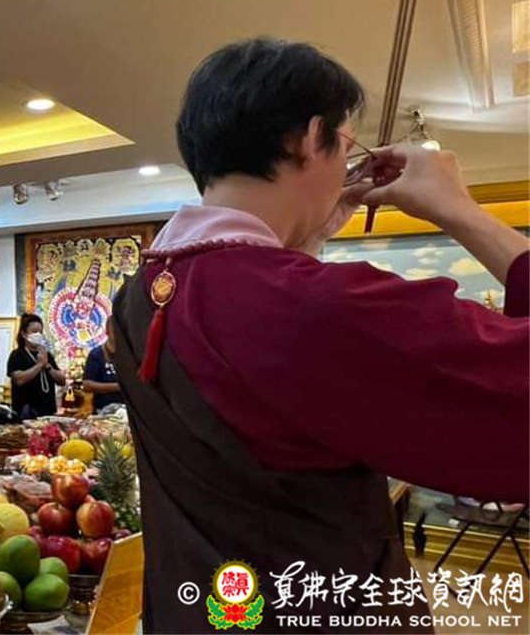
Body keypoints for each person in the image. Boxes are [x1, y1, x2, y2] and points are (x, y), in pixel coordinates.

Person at [110, 38, 529, 632]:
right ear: (310, 137)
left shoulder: (137, 294)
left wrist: (304, 237)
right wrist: (462, 210)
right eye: (347, 146)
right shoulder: (320, 304)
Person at [6, 314, 65, 419]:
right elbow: (19, 380)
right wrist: (39, 365)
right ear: (24, 334)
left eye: (40, 332)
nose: (38, 335)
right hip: (25, 412)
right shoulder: (17, 355)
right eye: (34, 331)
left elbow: (62, 381)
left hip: (47, 411)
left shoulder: (47, 355)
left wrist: (47, 365)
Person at [81, 343, 121, 410]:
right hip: (103, 408)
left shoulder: (129, 354)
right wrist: (117, 387)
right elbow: (87, 385)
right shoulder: (96, 354)